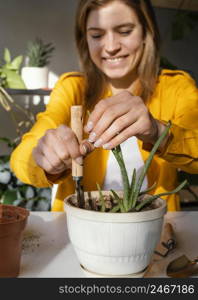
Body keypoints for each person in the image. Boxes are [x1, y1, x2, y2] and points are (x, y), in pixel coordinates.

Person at [10, 0, 198, 212]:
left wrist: (158, 132)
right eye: (97, 35)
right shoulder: (73, 87)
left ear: (147, 33)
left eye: (125, 31)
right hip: (80, 229)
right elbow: (21, 159)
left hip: (154, 231)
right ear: (85, 40)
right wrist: (44, 157)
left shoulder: (176, 87)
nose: (110, 47)